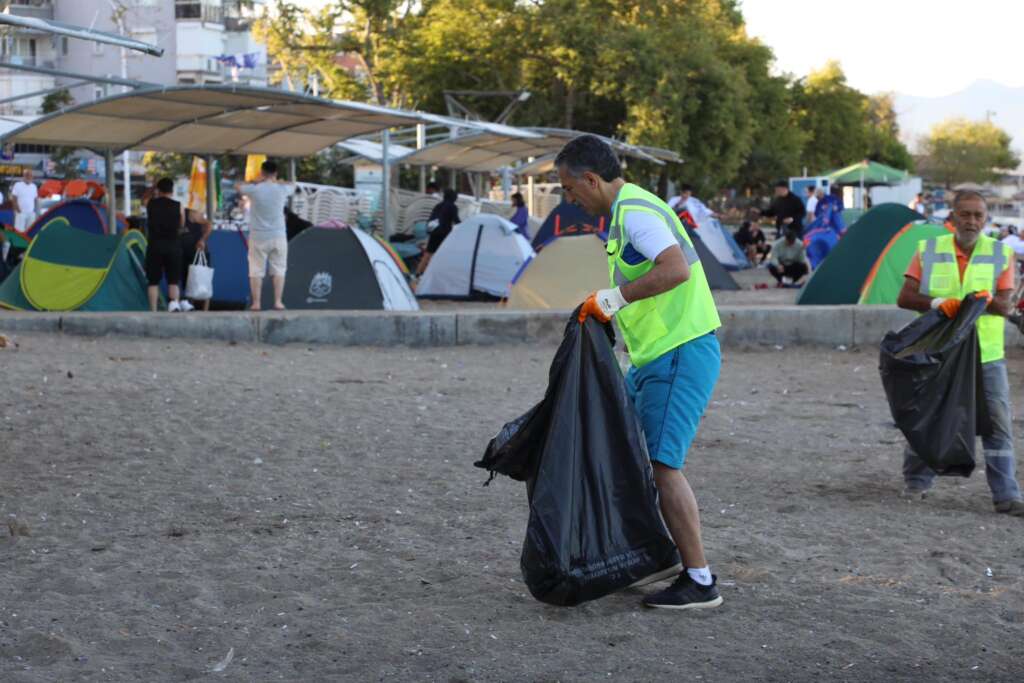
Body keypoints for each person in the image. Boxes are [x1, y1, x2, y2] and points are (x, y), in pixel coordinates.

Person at [561, 135, 724, 611]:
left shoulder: (634, 213)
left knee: (661, 464)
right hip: (659, 356)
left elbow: (675, 270)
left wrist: (612, 299)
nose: (570, 200)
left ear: (591, 179)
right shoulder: (628, 213)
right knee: (632, 454)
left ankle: (699, 580)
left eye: (570, 189)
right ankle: (658, 555)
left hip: (679, 352)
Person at [896, 190, 1022, 515]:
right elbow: (905, 297)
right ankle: (916, 483)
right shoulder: (928, 250)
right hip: (938, 351)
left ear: (986, 219)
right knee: (929, 417)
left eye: (978, 215)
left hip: (986, 354)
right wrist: (936, 303)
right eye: (965, 214)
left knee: (996, 424)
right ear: (952, 217)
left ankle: (1006, 496)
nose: (972, 221)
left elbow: (1007, 305)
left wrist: (987, 301)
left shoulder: (1000, 254)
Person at [236, 160, 295, 311]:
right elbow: (293, 185)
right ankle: (278, 302)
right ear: (275, 173)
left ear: (262, 172)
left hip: (258, 236)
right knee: (279, 269)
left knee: (255, 270)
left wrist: (254, 181)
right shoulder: (282, 189)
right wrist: (279, 181)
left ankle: (256, 303)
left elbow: (237, 186)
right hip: (278, 234)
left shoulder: (255, 189)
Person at [144, 177, 185, 312]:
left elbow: (143, 200)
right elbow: (182, 225)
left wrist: (152, 187)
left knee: (153, 281)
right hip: (173, 246)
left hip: (155, 246)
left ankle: (154, 310)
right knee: (173, 281)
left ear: (158, 190)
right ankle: (173, 306)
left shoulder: (151, 204)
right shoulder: (179, 206)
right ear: (172, 190)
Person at [415, 188, 460, 277]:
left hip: (434, 232)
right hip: (444, 234)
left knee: (428, 253)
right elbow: (456, 221)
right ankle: (439, 274)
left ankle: (417, 273)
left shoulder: (438, 205)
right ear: (453, 197)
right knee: (444, 254)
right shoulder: (453, 207)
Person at [181, 207, 213, 311]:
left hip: (198, 249)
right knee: (190, 280)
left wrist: (202, 240)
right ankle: (190, 307)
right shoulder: (181, 212)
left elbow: (208, 225)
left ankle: (204, 310)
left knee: (204, 279)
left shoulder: (192, 212)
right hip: (186, 250)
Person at [11, 169, 37, 234]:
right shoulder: (18, 185)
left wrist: (34, 211)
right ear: (24, 176)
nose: (29, 177)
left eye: (30, 175)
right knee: (19, 232)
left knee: (30, 231)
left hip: (31, 213)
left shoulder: (34, 186)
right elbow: (14, 198)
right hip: (21, 212)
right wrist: (18, 210)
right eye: (27, 175)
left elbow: (35, 199)